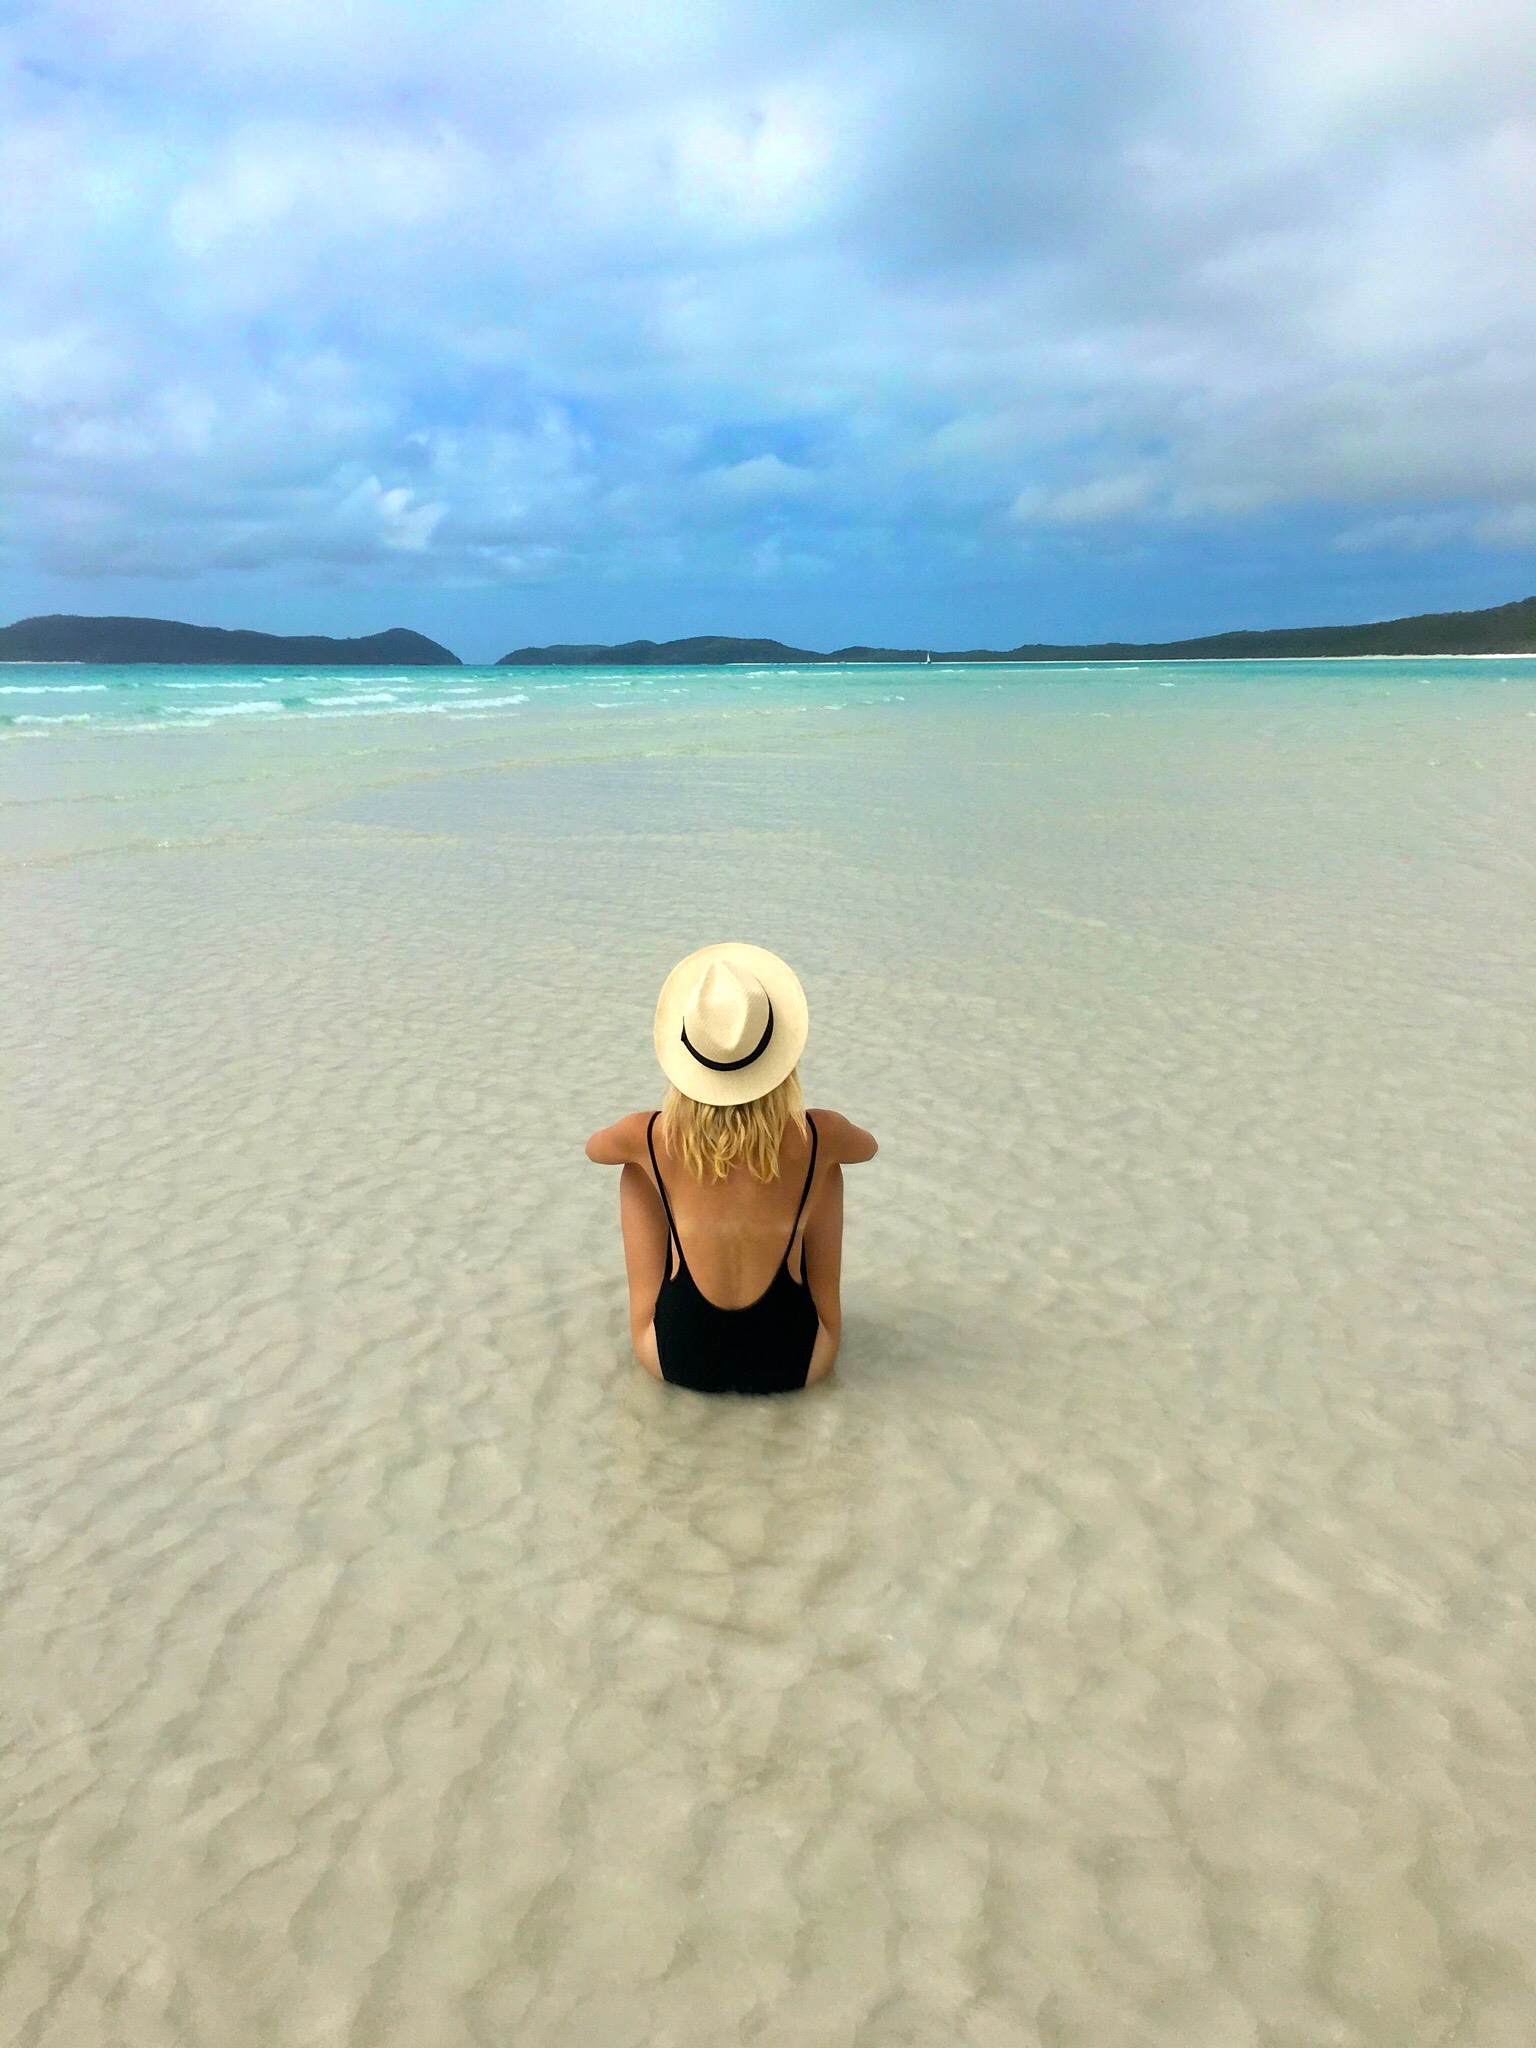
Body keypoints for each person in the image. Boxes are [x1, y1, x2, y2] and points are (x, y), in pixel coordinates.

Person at [585, 943, 877, 1393]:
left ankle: (657, 1313)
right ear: (780, 1055)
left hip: (675, 1359)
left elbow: (594, 1149)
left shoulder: (649, 1133)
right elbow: (869, 1148)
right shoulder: (820, 1131)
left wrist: (669, 1154)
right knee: (827, 1167)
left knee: (636, 1171)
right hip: (799, 1363)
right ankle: (814, 1315)